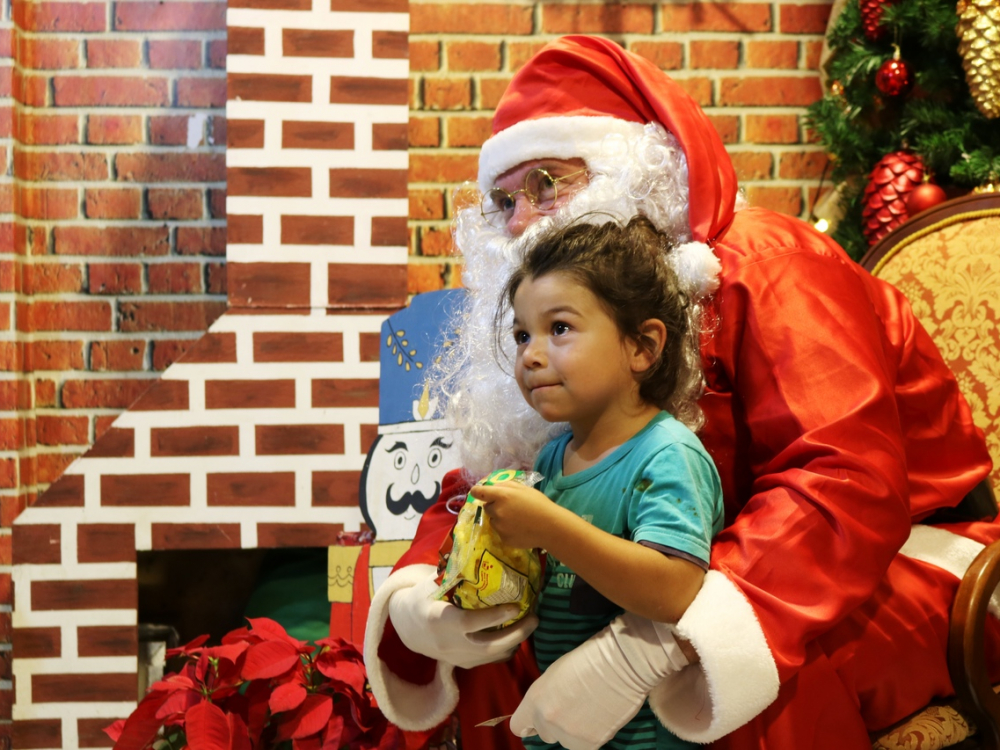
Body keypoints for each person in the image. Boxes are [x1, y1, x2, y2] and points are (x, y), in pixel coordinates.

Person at [363, 35, 1000, 750]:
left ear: (631, 168)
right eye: (503, 199)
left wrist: (655, 646)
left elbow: (845, 483)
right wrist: (424, 596)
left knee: (740, 687)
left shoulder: (771, 267)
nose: (519, 222)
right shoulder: (550, 321)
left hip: (888, 558)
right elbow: (496, 476)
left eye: (547, 183)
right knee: (494, 658)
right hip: (660, 562)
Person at [468, 216, 724, 749]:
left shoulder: (666, 454)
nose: (531, 355)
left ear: (643, 347)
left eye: (559, 328)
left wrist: (551, 528)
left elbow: (676, 590)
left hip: (645, 738)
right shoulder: (554, 455)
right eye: (521, 334)